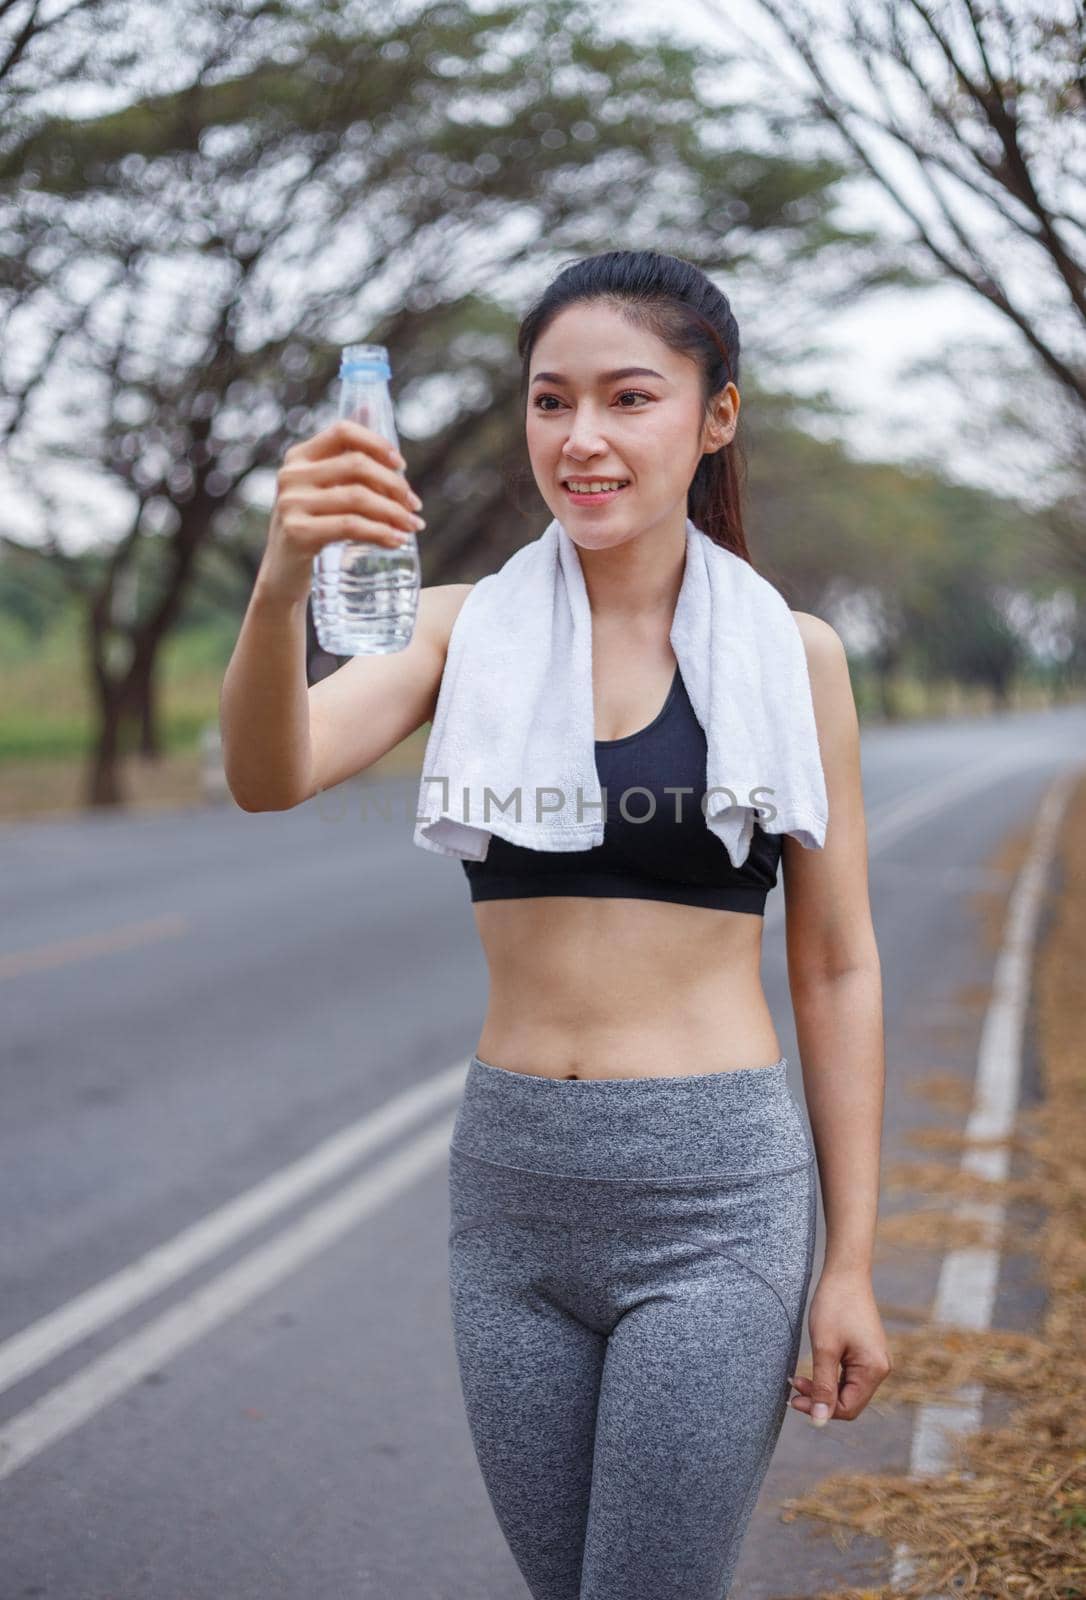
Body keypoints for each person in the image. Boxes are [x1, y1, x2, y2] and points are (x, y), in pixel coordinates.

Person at [220, 248, 892, 1600]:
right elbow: (267, 773)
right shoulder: (458, 631)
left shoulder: (791, 656)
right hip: (511, 1195)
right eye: (548, 401)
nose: (580, 438)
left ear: (714, 418)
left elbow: (832, 966)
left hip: (713, 1200)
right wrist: (283, 580)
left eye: (628, 398)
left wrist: (852, 1262)